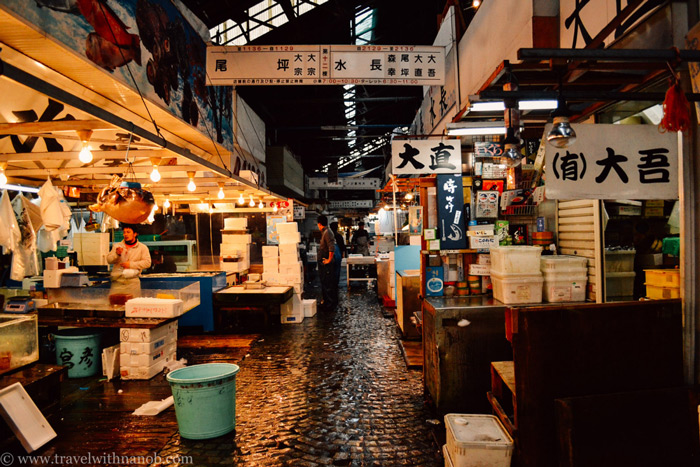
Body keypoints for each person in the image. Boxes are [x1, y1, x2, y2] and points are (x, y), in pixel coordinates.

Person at [107, 225, 151, 295]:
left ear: (135, 234)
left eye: (128, 232)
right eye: (124, 232)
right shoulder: (117, 246)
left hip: (133, 283)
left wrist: (131, 264)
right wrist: (117, 254)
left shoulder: (142, 247)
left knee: (132, 305)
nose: (126, 234)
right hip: (117, 282)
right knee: (115, 304)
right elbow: (109, 260)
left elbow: (147, 262)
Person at [317, 215, 337, 311]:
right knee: (325, 283)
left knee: (328, 284)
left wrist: (329, 260)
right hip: (324, 263)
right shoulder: (325, 232)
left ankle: (329, 304)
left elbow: (331, 247)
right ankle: (326, 303)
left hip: (327, 264)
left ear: (319, 224)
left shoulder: (327, 232)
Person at [330, 222, 345, 288]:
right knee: (337, 269)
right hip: (338, 255)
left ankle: (331, 283)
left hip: (330, 255)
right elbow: (342, 246)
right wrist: (343, 254)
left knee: (330, 269)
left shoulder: (328, 236)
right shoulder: (339, 236)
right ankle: (336, 283)